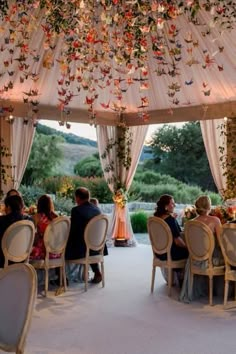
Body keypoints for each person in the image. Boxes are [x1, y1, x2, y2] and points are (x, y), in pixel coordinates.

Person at [179, 195, 224, 303]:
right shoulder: (215, 220)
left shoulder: (189, 223)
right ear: (209, 206)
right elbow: (222, 242)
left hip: (194, 259)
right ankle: (227, 292)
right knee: (228, 256)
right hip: (210, 260)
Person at [65, 187, 103, 284]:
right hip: (97, 247)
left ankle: (63, 277)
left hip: (83, 249)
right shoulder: (97, 209)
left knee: (62, 246)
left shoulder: (76, 210)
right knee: (87, 241)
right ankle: (97, 272)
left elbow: (74, 231)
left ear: (77, 198)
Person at [0, 195, 33, 267]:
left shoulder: (2, 221)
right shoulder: (28, 221)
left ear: (8, 207)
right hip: (22, 260)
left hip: (3, 261)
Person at [154, 194, 188, 261]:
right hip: (171, 254)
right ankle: (187, 271)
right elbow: (177, 242)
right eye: (172, 204)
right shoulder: (170, 220)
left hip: (159, 253)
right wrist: (188, 247)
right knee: (193, 252)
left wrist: (173, 220)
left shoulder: (156, 219)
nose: (174, 206)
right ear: (166, 206)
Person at [30, 194, 59, 260]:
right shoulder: (56, 217)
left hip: (44, 252)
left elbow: (31, 235)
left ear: (39, 205)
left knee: (26, 249)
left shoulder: (37, 217)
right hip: (56, 252)